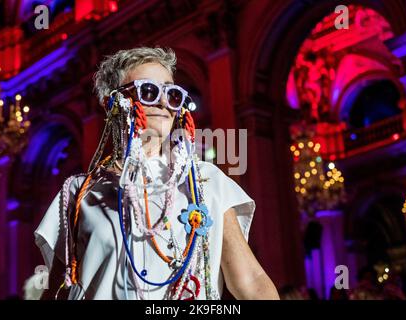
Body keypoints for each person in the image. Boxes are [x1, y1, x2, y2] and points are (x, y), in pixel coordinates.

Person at [34, 47, 279, 300]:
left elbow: (250, 281)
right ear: (114, 103)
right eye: (149, 92)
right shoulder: (78, 193)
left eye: (172, 94)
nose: (164, 103)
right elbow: (57, 290)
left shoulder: (205, 182)